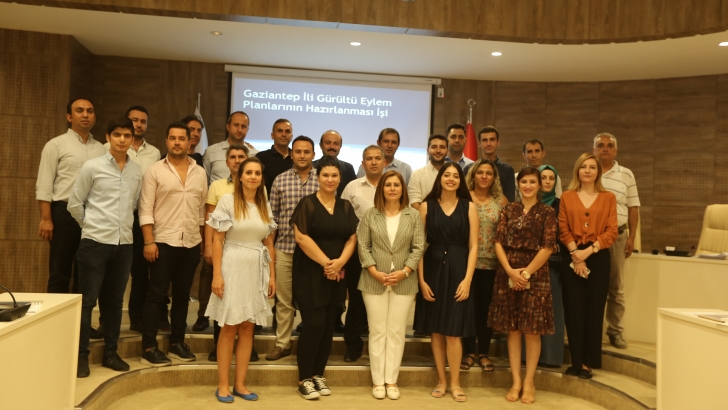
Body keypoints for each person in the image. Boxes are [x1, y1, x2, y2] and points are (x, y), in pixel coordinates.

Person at [68, 117, 142, 378]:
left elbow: (134, 204)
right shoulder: (93, 166)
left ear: (132, 139)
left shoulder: (136, 171)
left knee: (113, 303)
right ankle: (80, 356)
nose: (122, 139)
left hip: (124, 245)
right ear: (108, 137)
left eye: (127, 135)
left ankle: (111, 353)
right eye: (117, 135)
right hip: (94, 243)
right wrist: (91, 226)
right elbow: (74, 204)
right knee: (87, 302)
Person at [206, 157, 277, 403]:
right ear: (240, 176)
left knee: (248, 328)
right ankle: (223, 385)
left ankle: (240, 384)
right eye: (249, 172)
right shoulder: (227, 201)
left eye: (257, 173)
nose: (253, 177)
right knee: (229, 327)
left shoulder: (264, 205)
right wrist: (217, 274)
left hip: (257, 268)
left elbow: (269, 243)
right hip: (232, 264)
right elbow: (217, 240)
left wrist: (272, 276)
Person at [138, 122, 208, 367]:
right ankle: (149, 347)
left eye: (182, 138)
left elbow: (201, 211)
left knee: (182, 295)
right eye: (173, 138)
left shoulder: (200, 172)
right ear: (166, 141)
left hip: (191, 242)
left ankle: (177, 342)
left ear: (189, 142)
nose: (177, 142)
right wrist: (149, 241)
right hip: (162, 242)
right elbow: (145, 209)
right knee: (156, 295)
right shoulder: (154, 170)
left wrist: (202, 241)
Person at [290, 155, 358, 400]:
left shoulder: (346, 206)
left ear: (340, 178)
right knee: (313, 324)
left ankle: (318, 374)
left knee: (329, 325)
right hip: (310, 272)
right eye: (325, 175)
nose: (330, 179)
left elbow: (352, 238)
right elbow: (301, 238)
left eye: (334, 175)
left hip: (337, 273)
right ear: (317, 177)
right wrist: (327, 263)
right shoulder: (307, 204)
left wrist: (339, 263)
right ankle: (304, 378)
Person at [489, 166, 557, 404]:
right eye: (524, 181)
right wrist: (510, 271)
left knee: (532, 330)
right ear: (518, 184)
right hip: (508, 271)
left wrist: (526, 273)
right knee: (513, 329)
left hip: (535, 274)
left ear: (540, 185)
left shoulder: (548, 212)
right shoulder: (509, 209)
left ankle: (529, 382)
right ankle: (516, 381)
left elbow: (548, 246)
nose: (528, 186)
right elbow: (498, 241)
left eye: (532, 182)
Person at [357, 170, 425, 400]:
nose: (393, 188)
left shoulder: (412, 215)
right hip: (373, 280)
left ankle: (391, 380)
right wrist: (374, 271)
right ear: (382, 189)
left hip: (404, 281)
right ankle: (378, 381)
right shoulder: (370, 214)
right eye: (388, 185)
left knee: (396, 331)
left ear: (403, 189)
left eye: (397, 185)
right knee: (377, 331)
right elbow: (363, 246)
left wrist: (405, 272)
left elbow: (418, 247)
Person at [413, 162, 478, 403]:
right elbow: (419, 246)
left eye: (455, 176)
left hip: (460, 269)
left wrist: (468, 279)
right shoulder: (426, 206)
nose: (451, 179)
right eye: (447, 175)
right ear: (439, 178)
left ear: (461, 181)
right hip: (432, 270)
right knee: (437, 331)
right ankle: (441, 380)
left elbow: (474, 246)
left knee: (453, 332)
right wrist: (421, 280)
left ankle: (456, 383)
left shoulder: (469, 207)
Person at [36, 98, 105, 294]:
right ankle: (58, 315)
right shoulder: (55, 145)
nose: (85, 115)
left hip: (93, 215)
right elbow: (44, 184)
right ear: (69, 117)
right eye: (80, 110)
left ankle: (81, 316)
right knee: (60, 272)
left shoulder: (101, 148)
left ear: (94, 117)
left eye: (90, 111)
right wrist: (46, 218)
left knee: (86, 273)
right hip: (63, 214)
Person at [559, 153, 618, 380]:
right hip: (572, 255)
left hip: (598, 256)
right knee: (574, 310)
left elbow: (612, 231)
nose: (587, 170)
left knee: (594, 311)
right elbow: (563, 228)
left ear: (598, 172)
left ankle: (587, 363)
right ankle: (575, 361)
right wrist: (577, 255)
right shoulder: (567, 196)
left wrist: (588, 251)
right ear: (577, 170)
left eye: (592, 167)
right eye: (583, 166)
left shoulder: (608, 197)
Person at [266, 136, 320, 361]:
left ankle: (310, 343)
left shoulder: (323, 179)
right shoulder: (280, 180)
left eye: (306, 152)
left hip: (315, 253)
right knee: (284, 300)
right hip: (285, 249)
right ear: (291, 154)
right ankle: (283, 343)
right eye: (298, 151)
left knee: (311, 300)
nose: (302, 155)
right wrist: (271, 250)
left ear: (313, 154)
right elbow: (273, 219)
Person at [197, 145, 249, 361]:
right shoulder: (217, 186)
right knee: (222, 298)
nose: (237, 160)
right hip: (222, 250)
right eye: (233, 157)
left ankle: (247, 346)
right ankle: (218, 344)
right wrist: (209, 246)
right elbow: (210, 218)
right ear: (227, 162)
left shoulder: (256, 185)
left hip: (247, 252)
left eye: (241, 157)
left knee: (246, 298)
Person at [116, 106, 162, 334]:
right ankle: (107, 321)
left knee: (141, 272)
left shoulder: (154, 153)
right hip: (115, 217)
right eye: (134, 120)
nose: (138, 124)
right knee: (114, 271)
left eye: (143, 121)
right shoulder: (110, 149)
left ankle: (136, 317)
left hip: (142, 218)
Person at [460, 159, 507, 373]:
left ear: (494, 177)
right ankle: (469, 351)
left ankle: (484, 353)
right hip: (466, 262)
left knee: (486, 310)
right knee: (468, 309)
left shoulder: (501, 201)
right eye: (480, 172)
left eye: (489, 173)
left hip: (492, 264)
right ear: (473, 175)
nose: (484, 177)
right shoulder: (464, 198)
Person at [593, 132, 640, 349]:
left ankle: (615, 331)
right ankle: (591, 331)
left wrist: (632, 237)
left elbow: (633, 208)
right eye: (601, 145)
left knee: (616, 288)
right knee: (593, 287)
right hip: (591, 239)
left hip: (618, 237)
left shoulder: (626, 174)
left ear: (616, 150)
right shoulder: (588, 170)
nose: (605, 149)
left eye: (609, 145)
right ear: (594, 150)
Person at [339, 145, 384, 362]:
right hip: (358, 249)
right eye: (369, 158)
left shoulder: (392, 185)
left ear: (384, 162)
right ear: (363, 163)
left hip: (387, 251)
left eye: (377, 158)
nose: (374, 162)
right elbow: (343, 219)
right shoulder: (352, 187)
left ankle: (381, 346)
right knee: (357, 298)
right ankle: (353, 345)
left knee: (382, 299)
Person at [537, 165, 565, 368]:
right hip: (529, 265)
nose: (547, 181)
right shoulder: (527, 203)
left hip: (554, 265)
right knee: (529, 311)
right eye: (543, 177)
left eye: (551, 178)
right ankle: (527, 356)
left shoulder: (561, 206)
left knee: (553, 310)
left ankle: (551, 357)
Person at [204, 111, 258, 184]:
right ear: (228, 127)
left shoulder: (255, 154)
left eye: (243, 126)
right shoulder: (211, 151)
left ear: (247, 130)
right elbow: (204, 181)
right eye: (236, 125)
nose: (239, 130)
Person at [463, 126, 515, 202]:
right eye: (484, 140)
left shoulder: (507, 170)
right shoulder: (469, 168)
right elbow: (463, 196)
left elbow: (509, 201)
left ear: (498, 142)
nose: (488, 143)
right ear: (479, 143)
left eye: (492, 139)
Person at [408, 134, 449, 209]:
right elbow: (415, 203)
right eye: (434, 147)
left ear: (447, 151)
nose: (438, 151)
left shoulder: (454, 174)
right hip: (424, 216)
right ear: (428, 151)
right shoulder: (417, 174)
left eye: (442, 147)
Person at [256, 118, 293, 195]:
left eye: (287, 131)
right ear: (272, 135)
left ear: (291, 136)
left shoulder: (297, 158)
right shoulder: (261, 157)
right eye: (280, 131)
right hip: (268, 201)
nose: (284, 134)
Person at [315, 130, 357, 197]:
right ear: (320, 145)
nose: (332, 147)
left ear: (340, 146)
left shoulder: (348, 168)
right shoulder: (312, 166)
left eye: (336, 143)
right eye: (328, 143)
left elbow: (353, 193)